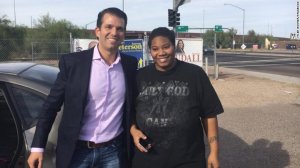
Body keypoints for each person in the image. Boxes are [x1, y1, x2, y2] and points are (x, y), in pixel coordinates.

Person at [27, 7, 137, 168]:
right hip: (77, 152)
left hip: (113, 152)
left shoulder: (129, 65)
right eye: (109, 27)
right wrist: (37, 147)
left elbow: (132, 106)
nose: (114, 32)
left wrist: (134, 128)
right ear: (97, 31)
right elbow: (50, 107)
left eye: (120, 28)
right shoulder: (73, 63)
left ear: (124, 34)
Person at [130, 27, 223, 168]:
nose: (161, 53)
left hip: (188, 159)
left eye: (166, 47)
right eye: (155, 49)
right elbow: (129, 111)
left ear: (174, 46)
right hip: (147, 159)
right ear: (150, 51)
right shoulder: (139, 76)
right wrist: (133, 130)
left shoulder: (195, 74)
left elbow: (209, 114)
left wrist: (214, 152)